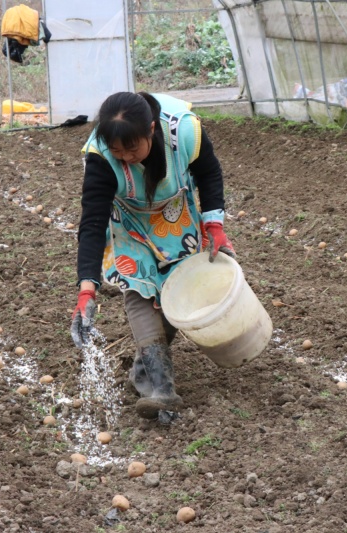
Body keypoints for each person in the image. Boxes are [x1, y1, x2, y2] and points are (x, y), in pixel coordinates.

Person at [70, 92, 235, 420]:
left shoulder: (184, 132)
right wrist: (87, 287)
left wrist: (214, 225)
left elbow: (209, 174)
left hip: (174, 213)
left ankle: (145, 373)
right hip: (130, 222)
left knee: (178, 290)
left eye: (132, 148)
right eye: (117, 151)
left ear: (151, 130)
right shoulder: (102, 158)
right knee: (140, 288)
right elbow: (92, 223)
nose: (125, 157)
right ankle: (162, 389)